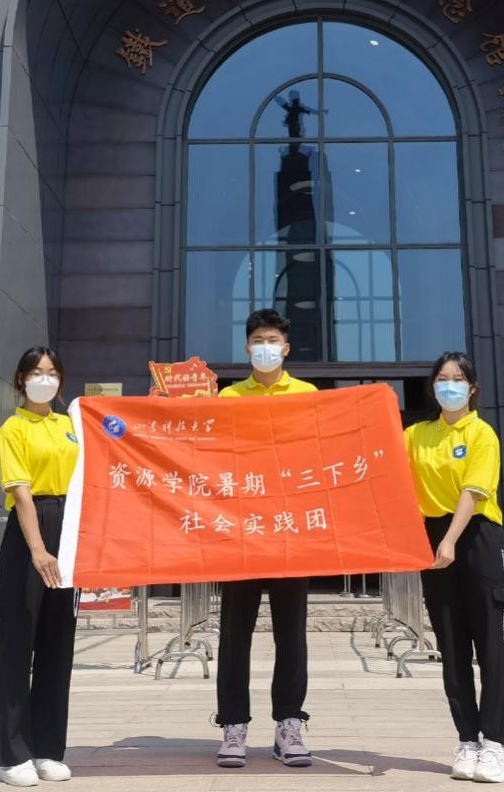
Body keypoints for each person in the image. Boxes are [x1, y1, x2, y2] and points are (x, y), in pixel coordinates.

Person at [213, 308, 318, 769]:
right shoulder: (228, 396)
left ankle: (289, 725)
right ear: (246, 348)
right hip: (241, 531)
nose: (265, 347)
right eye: (258, 340)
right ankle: (233, 726)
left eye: (273, 340)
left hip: (291, 532)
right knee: (234, 635)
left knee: (291, 635)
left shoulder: (308, 395)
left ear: (286, 348)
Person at [404, 352, 504, 783]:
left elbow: (473, 491)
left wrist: (450, 539)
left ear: (472, 389)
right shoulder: (416, 435)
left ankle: (496, 744)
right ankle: (467, 739)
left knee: (489, 646)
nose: (448, 386)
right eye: (441, 379)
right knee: (451, 647)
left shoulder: (481, 433)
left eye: (457, 379)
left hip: (477, 536)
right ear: (432, 387)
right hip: (432, 537)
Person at [0, 346, 80, 787]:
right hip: (31, 532)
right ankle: (12, 753)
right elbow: (21, 493)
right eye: (36, 372)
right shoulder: (12, 428)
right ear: (21, 379)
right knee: (17, 642)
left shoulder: (70, 426)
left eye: (52, 372)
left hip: (69, 528)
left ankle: (47, 748)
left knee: (57, 644)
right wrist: (39, 549)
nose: (45, 379)